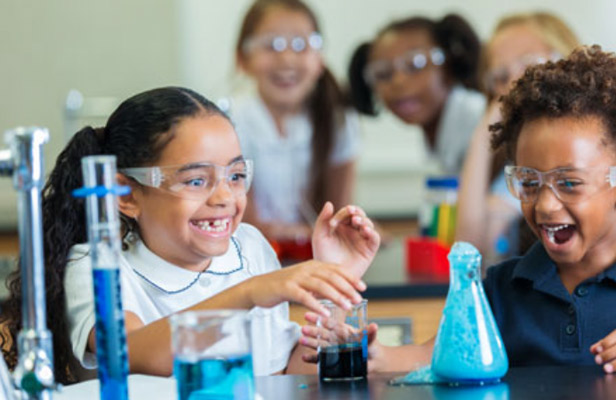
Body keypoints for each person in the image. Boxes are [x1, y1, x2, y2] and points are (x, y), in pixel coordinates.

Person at [302, 46, 616, 400]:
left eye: (569, 183)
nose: (546, 205)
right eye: (529, 182)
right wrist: (370, 352)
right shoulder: (500, 286)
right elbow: (427, 358)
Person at [0, 86, 380, 384]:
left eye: (235, 176)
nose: (224, 198)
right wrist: (250, 293)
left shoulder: (249, 249)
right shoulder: (98, 267)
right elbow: (131, 352)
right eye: (196, 180)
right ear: (126, 194)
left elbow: (282, 375)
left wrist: (338, 285)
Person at [231, 0, 360, 243]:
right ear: (243, 59)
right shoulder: (230, 122)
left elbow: (341, 216)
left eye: (301, 45)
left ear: (319, 59)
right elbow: (246, 225)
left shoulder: (339, 120)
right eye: (271, 45)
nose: (287, 59)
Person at [455, 11, 580, 259]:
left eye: (529, 64)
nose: (515, 82)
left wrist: (599, 268)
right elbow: (471, 251)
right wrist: (483, 134)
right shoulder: (528, 166)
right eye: (501, 77)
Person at [348, 14, 485, 176]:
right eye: (383, 73)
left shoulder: (478, 121)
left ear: (449, 64)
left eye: (415, 64)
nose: (399, 82)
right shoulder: (441, 128)